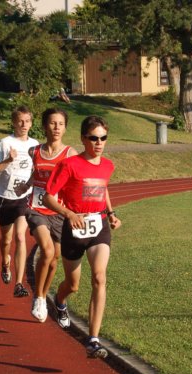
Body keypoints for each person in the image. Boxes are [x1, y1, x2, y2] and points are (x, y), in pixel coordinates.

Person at [43, 115, 122, 359]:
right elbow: (48, 197)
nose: (99, 143)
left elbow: (103, 188)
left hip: (99, 226)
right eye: (94, 138)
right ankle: (60, 300)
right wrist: (68, 213)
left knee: (99, 277)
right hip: (74, 228)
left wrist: (111, 214)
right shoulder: (69, 165)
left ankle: (93, 340)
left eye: (103, 138)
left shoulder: (108, 165)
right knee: (73, 285)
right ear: (83, 139)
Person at [19, 108, 77, 322]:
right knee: (47, 249)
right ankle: (39, 297)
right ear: (45, 126)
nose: (56, 128)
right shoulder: (34, 151)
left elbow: (75, 180)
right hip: (36, 208)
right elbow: (35, 174)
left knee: (54, 260)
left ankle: (43, 294)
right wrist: (25, 186)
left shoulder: (70, 154)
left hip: (59, 211)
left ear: (65, 128)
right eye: (52, 123)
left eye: (61, 124)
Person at [0, 106, 39, 297]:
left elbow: (36, 171)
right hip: (5, 198)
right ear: (14, 123)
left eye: (27, 121)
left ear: (31, 123)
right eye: (20, 121)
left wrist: (29, 186)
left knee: (20, 236)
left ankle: (18, 284)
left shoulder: (35, 145)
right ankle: (4, 261)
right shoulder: (5, 143)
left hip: (23, 198)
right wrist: (8, 160)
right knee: (6, 240)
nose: (24, 125)